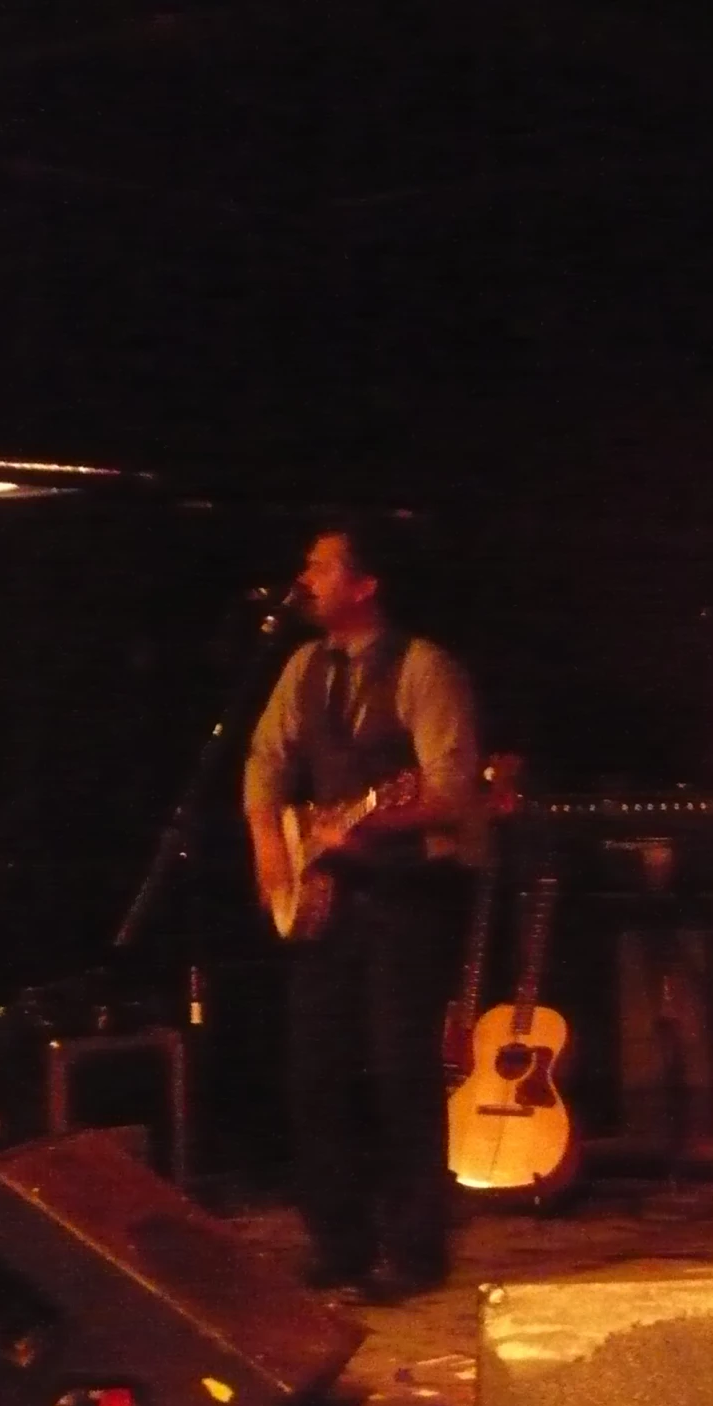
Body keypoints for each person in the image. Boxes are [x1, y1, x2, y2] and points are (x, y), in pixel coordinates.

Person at [243, 518, 483, 1302]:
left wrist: (367, 821)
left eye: (320, 566)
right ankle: (337, 1242)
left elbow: (448, 787)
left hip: (408, 893)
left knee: (401, 1070)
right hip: (326, 899)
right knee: (314, 1070)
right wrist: (272, 848)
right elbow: (263, 762)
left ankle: (414, 1249)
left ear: (365, 583)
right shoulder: (302, 666)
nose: (304, 578)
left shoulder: (425, 669)